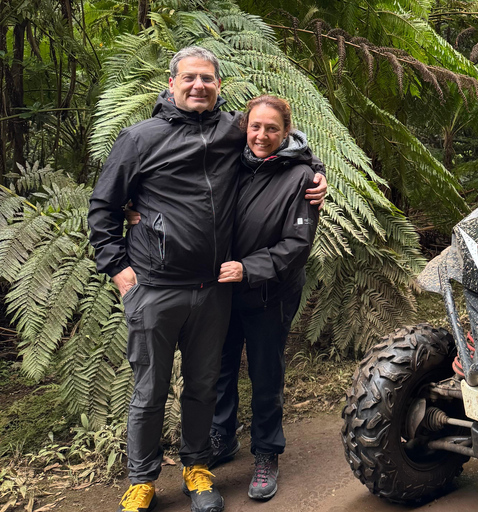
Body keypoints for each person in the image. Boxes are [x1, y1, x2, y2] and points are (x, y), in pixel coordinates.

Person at [88, 46, 326, 512]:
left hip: (211, 289)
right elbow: (103, 207)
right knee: (149, 388)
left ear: (219, 85)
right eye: (190, 77)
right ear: (172, 82)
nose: (199, 85)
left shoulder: (230, 130)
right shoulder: (139, 138)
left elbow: (278, 138)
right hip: (154, 287)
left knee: (203, 383)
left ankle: (199, 469)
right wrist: (119, 270)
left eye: (208, 79)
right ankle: (142, 479)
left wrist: (316, 172)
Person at [208, 95, 320, 501]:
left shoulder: (303, 178)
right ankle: (221, 437)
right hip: (221, 291)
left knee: (264, 372)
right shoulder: (229, 160)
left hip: (269, 292)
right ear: (245, 126)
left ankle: (266, 452)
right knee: (219, 367)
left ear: (286, 131)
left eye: (272, 129)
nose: (262, 135)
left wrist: (248, 268)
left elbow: (297, 244)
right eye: (255, 126)